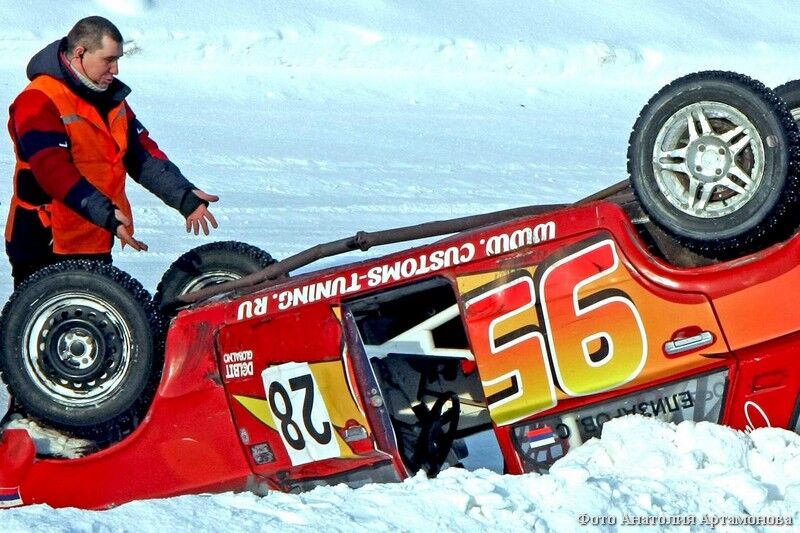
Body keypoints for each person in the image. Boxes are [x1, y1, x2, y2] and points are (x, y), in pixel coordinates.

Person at [5, 16, 219, 288]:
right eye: (108, 60)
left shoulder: (110, 99)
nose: (116, 69)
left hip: (95, 234)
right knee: (43, 327)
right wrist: (104, 212)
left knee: (97, 326)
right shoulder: (38, 100)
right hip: (44, 242)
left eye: (118, 60)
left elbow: (142, 156)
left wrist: (183, 196)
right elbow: (52, 170)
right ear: (80, 53)